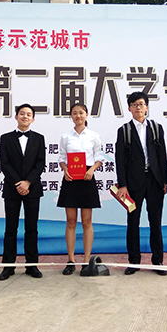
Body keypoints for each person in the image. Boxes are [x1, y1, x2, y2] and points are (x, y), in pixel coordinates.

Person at [115, 92, 167, 276]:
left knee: (156, 222)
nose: (138, 107)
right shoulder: (124, 130)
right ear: (129, 108)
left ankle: (158, 261)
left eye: (141, 104)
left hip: (154, 181)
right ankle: (134, 261)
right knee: (133, 222)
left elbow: (162, 156)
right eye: (134, 104)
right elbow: (120, 160)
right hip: (132, 184)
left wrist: (164, 181)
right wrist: (123, 184)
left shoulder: (156, 128)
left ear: (147, 107)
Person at [0, 104, 46, 281]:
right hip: (12, 189)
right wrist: (18, 183)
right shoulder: (6, 138)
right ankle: (8, 267)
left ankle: (32, 265)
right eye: (22, 113)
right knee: (10, 229)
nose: (25, 116)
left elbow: (40, 163)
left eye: (29, 114)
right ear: (16, 116)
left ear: (33, 119)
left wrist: (28, 182)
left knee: (31, 228)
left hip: (32, 189)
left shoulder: (39, 138)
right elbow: (4, 164)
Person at [57, 103, 105, 275]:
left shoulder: (94, 136)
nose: (78, 116)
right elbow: (62, 157)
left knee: (86, 221)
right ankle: (70, 260)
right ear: (71, 116)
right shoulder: (65, 137)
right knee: (71, 221)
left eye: (81, 113)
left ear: (86, 115)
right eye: (74, 113)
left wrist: (92, 170)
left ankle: (86, 260)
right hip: (70, 179)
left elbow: (99, 158)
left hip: (87, 178)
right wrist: (65, 169)